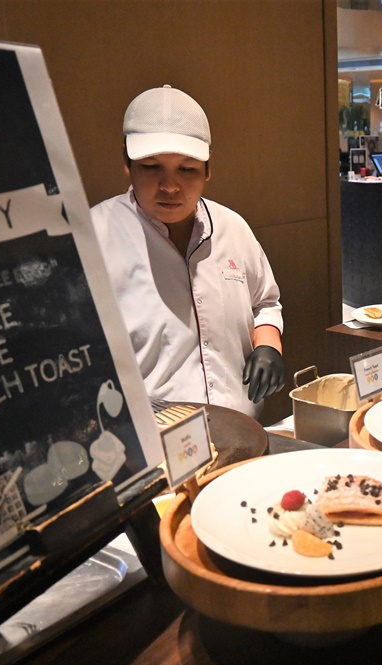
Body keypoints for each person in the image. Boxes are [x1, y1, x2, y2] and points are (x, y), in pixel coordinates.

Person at [91, 85, 285, 419]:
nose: (170, 186)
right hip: (156, 442)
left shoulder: (232, 227)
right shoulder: (95, 236)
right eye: (151, 166)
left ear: (208, 168)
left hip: (243, 428)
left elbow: (265, 303)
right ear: (127, 162)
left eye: (187, 168)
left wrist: (269, 345)